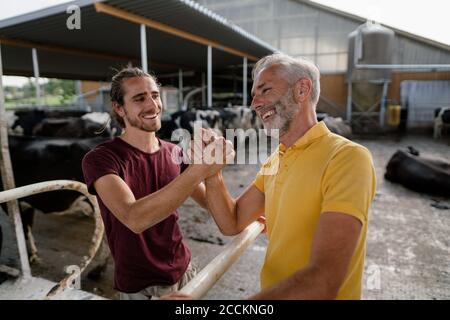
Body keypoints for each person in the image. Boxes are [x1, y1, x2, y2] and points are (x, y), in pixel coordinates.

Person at [167, 53, 377, 300]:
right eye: (254, 94)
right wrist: (213, 173)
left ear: (302, 90)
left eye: (265, 90)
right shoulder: (275, 160)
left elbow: (324, 280)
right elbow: (232, 222)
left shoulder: (347, 158)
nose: (255, 103)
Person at [82, 67, 233, 300]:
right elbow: (134, 218)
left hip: (183, 273)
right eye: (140, 99)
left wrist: (214, 171)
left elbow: (212, 204)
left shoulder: (174, 152)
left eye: (155, 95)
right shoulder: (101, 158)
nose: (153, 106)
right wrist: (201, 168)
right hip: (139, 288)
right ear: (119, 108)